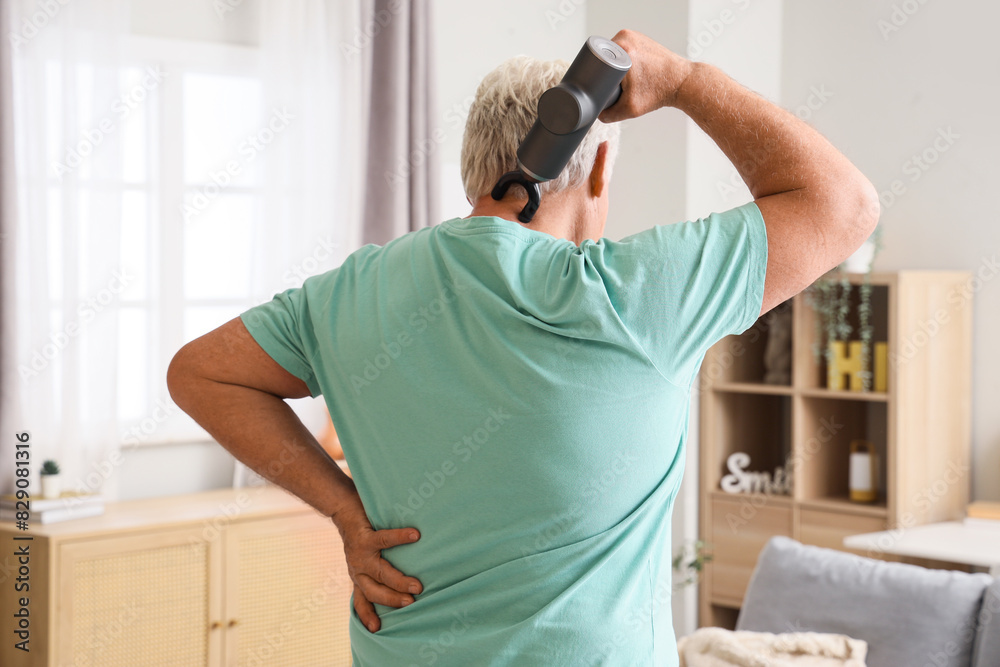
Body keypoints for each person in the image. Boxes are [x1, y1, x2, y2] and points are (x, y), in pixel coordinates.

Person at [168, 29, 878, 666]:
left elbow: (200, 373)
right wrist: (686, 81)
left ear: (473, 168)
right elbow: (843, 205)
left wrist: (343, 509)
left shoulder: (351, 291)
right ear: (599, 174)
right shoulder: (635, 297)